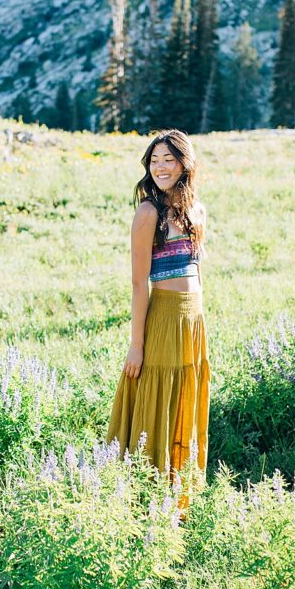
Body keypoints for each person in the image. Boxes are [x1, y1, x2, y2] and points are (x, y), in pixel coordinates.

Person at [105, 129, 210, 521]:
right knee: (156, 397)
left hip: (193, 319)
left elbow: (198, 271)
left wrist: (197, 320)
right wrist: (137, 344)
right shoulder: (147, 213)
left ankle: (181, 498)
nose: (161, 167)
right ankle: (145, 498)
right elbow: (138, 283)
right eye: (154, 160)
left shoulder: (197, 211)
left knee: (185, 398)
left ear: (185, 163)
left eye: (168, 159)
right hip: (162, 316)